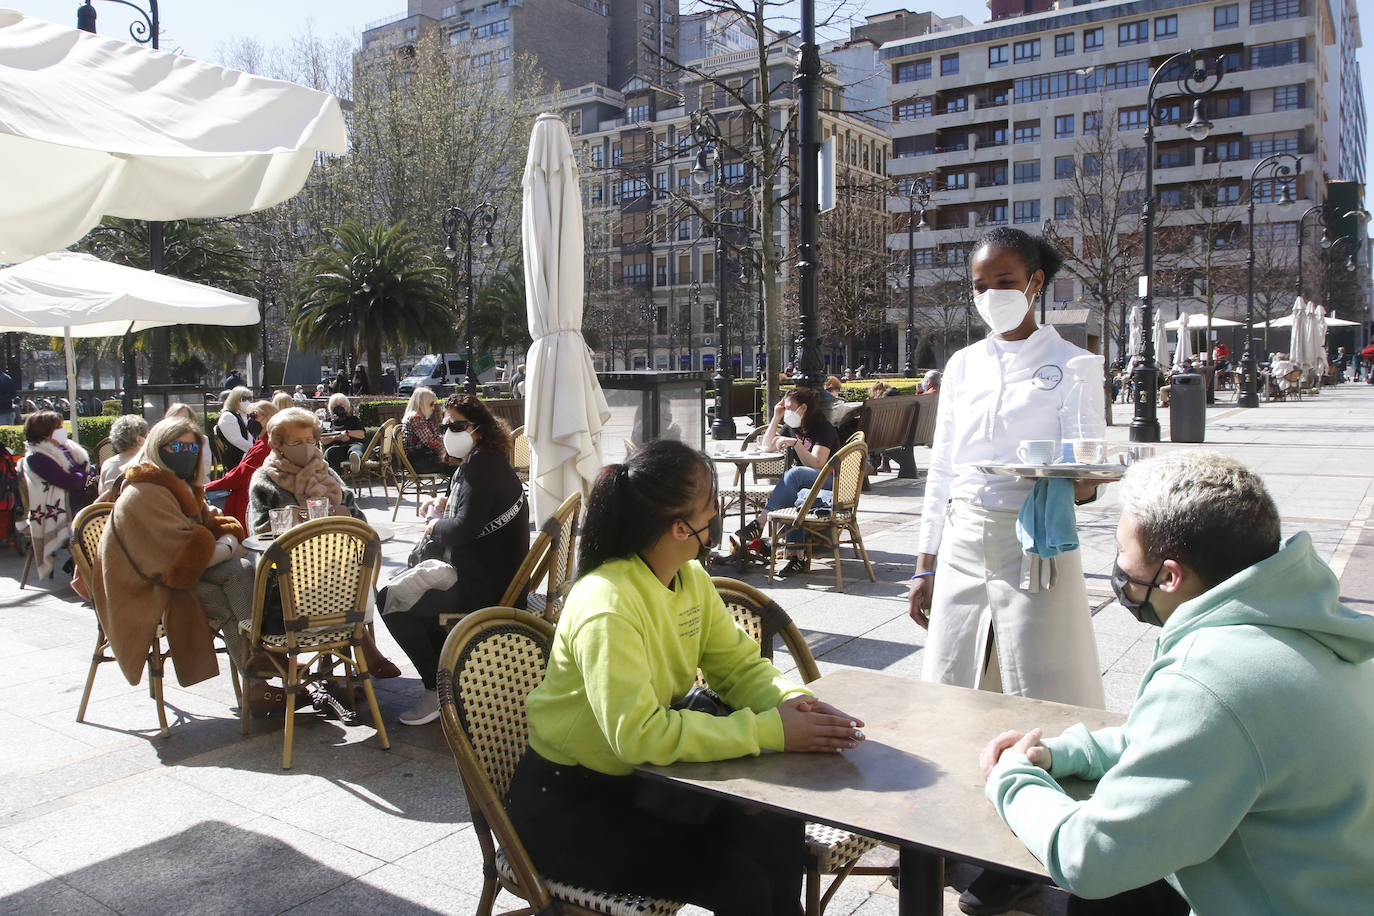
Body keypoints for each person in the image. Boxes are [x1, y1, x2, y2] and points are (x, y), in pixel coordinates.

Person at [981, 451, 1374, 916]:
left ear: (1169, 576)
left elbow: (1089, 858)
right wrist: (1067, 753)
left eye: (1123, 551)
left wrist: (1013, 779)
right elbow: (1175, 739)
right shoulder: (1304, 623)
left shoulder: (1212, 676)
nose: (1120, 568)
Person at [506, 439, 865, 916]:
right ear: (681, 527)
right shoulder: (606, 604)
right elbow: (637, 736)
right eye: (711, 504)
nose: (717, 512)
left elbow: (738, 667)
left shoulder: (688, 577)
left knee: (775, 826)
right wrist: (770, 730)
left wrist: (797, 704)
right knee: (740, 878)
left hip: (643, 783)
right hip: (570, 808)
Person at [906, 227, 1105, 915]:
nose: (989, 295)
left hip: (1035, 538)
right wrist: (924, 562)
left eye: (1002, 282)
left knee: (1040, 685)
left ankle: (1040, 842)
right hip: (964, 534)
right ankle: (949, 831)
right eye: (979, 285)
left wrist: (1065, 476)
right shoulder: (960, 366)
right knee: (953, 679)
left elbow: (1088, 469)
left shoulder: (1075, 365)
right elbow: (943, 472)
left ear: (1036, 284)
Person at [87, 416, 298, 710]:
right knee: (227, 595)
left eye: (192, 448)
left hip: (174, 576)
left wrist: (223, 540)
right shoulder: (145, 492)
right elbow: (182, 562)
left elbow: (207, 523)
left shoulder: (177, 486)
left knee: (241, 571)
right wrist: (227, 543)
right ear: (158, 447)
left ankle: (258, 664)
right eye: (177, 447)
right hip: (143, 589)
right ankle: (258, 671)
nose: (187, 454)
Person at [380, 395, 529, 726]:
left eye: (458, 426)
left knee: (389, 598)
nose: (449, 432)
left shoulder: (480, 467)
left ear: (479, 430)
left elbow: (462, 529)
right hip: (500, 574)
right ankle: (452, 676)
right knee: (410, 593)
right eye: (445, 425)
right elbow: (477, 508)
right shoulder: (488, 461)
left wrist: (434, 523)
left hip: (486, 586)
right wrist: (447, 500)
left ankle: (437, 688)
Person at [248, 407, 399, 679]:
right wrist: (295, 520)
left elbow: (359, 519)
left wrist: (340, 514)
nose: (306, 447)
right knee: (337, 578)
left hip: (331, 567)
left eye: (310, 440)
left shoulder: (325, 472)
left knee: (350, 571)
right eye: (296, 442)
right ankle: (360, 644)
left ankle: (339, 658)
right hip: (286, 579)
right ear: (279, 445)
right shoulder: (265, 479)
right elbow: (258, 529)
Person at [732, 387, 840, 576]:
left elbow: (817, 464)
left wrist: (796, 444)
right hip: (805, 487)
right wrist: (776, 417)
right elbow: (766, 446)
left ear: (803, 408)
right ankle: (797, 558)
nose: (786, 411)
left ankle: (760, 523)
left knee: (795, 474)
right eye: (784, 408)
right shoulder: (792, 427)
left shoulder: (824, 428)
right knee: (793, 493)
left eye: (789, 408)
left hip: (831, 481)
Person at [20, 410, 91, 578]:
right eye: (57, 427)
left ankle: (79, 564)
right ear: (44, 433)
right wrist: (83, 474)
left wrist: (81, 474)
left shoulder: (66, 449)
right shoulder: (37, 457)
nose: (62, 430)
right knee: (95, 517)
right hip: (55, 510)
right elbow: (72, 481)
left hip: (74, 500)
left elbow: (80, 473)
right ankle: (81, 568)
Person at [204, 400, 276, 529]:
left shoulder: (267, 445)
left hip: (248, 501)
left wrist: (208, 487)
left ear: (270, 418)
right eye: (248, 417)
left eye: (254, 416)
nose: (250, 421)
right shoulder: (263, 442)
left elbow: (242, 475)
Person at [400, 387, 451, 474]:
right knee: (456, 463)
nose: (433, 408)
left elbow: (434, 439)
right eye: (431, 404)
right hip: (420, 461)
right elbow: (431, 442)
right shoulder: (416, 419)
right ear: (423, 403)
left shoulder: (419, 418)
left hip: (422, 458)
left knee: (456, 462)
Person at [98, 414, 148, 492]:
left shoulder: (108, 464)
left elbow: (101, 492)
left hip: (112, 504)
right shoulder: (145, 463)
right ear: (139, 439)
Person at [164, 402, 212, 482]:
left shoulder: (202, 440)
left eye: (185, 418)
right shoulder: (162, 441)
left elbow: (206, 468)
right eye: (176, 418)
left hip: (195, 482)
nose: (180, 422)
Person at [321, 393, 365, 475]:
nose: (339, 407)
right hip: (336, 447)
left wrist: (347, 433)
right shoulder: (328, 422)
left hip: (352, 444)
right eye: (336, 405)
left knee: (356, 449)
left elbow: (361, 434)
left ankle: (355, 460)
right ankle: (336, 478)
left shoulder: (353, 420)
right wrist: (336, 437)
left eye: (341, 405)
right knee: (330, 452)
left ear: (346, 406)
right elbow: (323, 439)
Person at [214, 386, 255, 471]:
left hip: (248, 458)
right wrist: (257, 451)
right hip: (236, 462)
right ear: (235, 399)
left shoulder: (244, 415)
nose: (247, 401)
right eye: (243, 399)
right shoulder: (228, 416)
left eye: (249, 398)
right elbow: (238, 441)